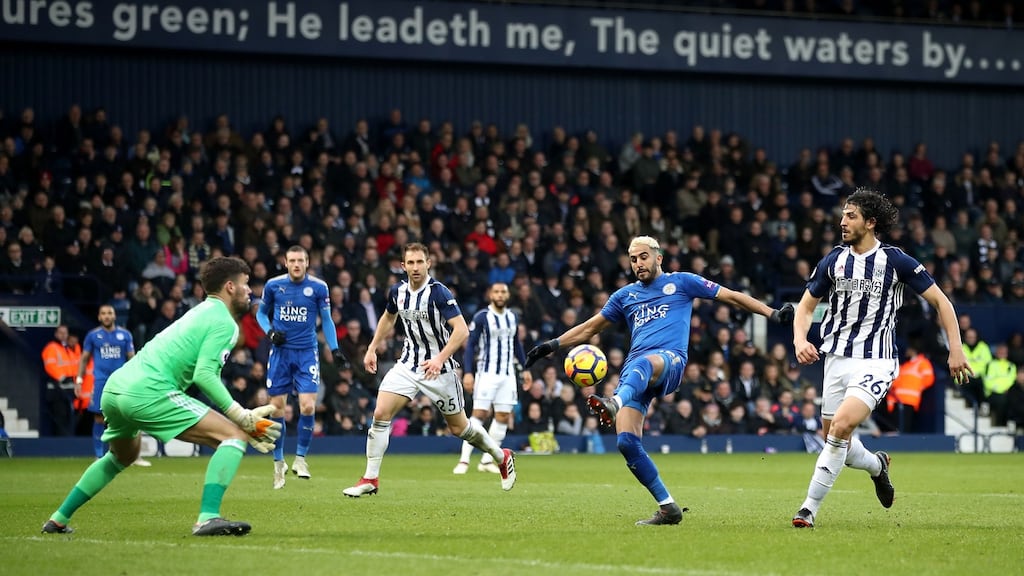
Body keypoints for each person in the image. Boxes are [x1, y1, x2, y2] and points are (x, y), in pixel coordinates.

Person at [525, 235, 794, 525]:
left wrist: (773, 313)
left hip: (670, 361)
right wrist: (551, 346)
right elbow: (591, 327)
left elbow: (731, 296)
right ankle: (668, 507)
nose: (638, 263)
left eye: (643, 257)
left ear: (658, 258)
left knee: (642, 364)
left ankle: (614, 402)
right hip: (636, 372)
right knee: (626, 443)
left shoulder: (682, 282)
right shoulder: (624, 296)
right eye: (632, 259)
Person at [42, 257, 282, 536]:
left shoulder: (199, 311)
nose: (250, 291)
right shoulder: (224, 323)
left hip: (117, 388)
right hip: (149, 390)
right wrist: (240, 415)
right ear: (230, 286)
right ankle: (207, 517)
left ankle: (58, 518)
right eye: (245, 284)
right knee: (234, 436)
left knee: (121, 457)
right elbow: (204, 375)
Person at [789, 188, 971, 529]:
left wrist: (955, 348)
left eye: (851, 216)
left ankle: (808, 509)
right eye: (843, 215)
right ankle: (877, 465)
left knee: (840, 428)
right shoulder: (833, 261)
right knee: (835, 440)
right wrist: (800, 338)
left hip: (876, 361)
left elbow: (941, 302)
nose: (842, 222)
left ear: (871, 223)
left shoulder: (897, 261)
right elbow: (806, 307)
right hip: (836, 360)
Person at [342, 243, 516, 497]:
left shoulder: (439, 293)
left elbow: (461, 330)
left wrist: (439, 358)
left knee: (460, 428)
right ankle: (370, 478)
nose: (415, 267)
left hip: (440, 371)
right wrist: (372, 348)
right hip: (408, 364)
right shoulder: (397, 292)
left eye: (419, 262)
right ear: (403, 266)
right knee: (380, 413)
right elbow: (389, 317)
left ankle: (501, 456)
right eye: (410, 263)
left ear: (428, 263)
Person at [257, 245, 348, 489]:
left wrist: (335, 348)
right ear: (285, 263)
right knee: (277, 410)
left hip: (307, 353)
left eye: (301, 261)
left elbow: (327, 320)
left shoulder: (319, 287)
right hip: (280, 354)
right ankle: (278, 463)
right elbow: (261, 314)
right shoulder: (273, 286)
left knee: (307, 405)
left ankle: (300, 459)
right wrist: (270, 332)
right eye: (292, 261)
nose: (296, 264)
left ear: (307, 263)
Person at [453, 281, 532, 475]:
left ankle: (487, 460)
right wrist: (468, 372)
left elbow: (516, 345)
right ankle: (464, 460)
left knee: (503, 417)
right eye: (496, 292)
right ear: (491, 295)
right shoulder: (482, 317)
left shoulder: (512, 317)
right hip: (486, 373)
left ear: (507, 295)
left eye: (503, 292)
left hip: (507, 374)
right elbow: (470, 346)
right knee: (479, 415)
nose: (500, 295)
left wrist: (526, 368)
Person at [76, 304, 149, 465]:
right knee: (99, 418)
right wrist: (79, 380)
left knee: (131, 416)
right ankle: (99, 455)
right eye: (103, 313)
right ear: (99, 317)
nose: (107, 316)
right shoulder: (93, 336)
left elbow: (132, 358)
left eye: (110, 313)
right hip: (101, 382)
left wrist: (137, 380)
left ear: (115, 316)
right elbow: (84, 358)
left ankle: (135, 455)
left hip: (122, 382)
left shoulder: (125, 335)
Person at [41, 324, 81, 436]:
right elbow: (50, 366)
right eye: (61, 332)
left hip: (68, 390)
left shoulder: (67, 349)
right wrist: (62, 377)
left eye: (65, 333)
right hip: (57, 390)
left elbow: (73, 367)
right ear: (56, 334)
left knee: (67, 419)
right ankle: (60, 446)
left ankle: (66, 445)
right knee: (60, 419)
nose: (63, 335)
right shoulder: (51, 347)